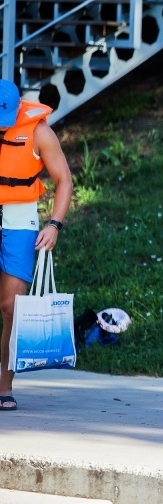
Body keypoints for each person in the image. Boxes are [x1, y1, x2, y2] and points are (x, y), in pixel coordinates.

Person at [0, 80, 73, 411]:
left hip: (20, 221)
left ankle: (4, 384)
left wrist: (54, 224)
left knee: (11, 306)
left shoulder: (39, 131)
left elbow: (64, 180)